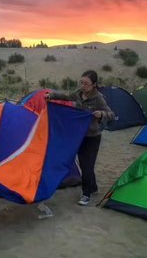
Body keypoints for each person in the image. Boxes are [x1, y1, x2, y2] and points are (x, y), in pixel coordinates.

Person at [45, 70, 114, 206]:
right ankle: (93, 187)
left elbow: (111, 114)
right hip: (79, 135)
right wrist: (51, 96)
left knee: (87, 165)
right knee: (84, 164)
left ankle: (86, 194)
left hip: (92, 137)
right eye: (81, 82)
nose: (83, 86)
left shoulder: (98, 98)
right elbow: (66, 96)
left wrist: (101, 114)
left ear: (94, 84)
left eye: (86, 84)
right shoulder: (78, 93)